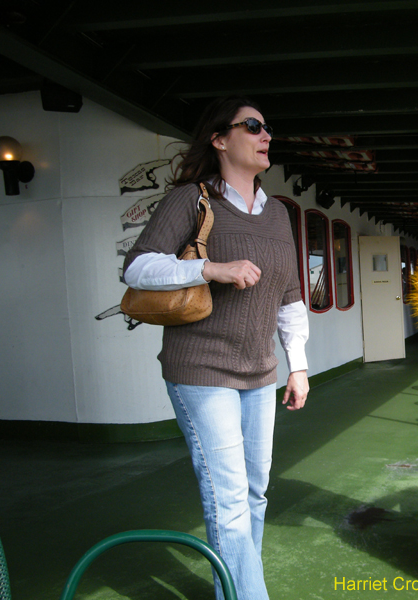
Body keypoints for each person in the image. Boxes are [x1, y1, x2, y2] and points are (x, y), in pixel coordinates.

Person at [123, 96, 309, 600]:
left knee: (254, 494)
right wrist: (210, 269)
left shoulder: (277, 215)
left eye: (267, 126)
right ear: (220, 139)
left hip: (259, 372)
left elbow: (291, 297)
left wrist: (299, 368)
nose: (265, 133)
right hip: (201, 370)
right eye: (253, 126)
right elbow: (137, 267)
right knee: (227, 497)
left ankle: (234, 589)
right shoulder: (192, 199)